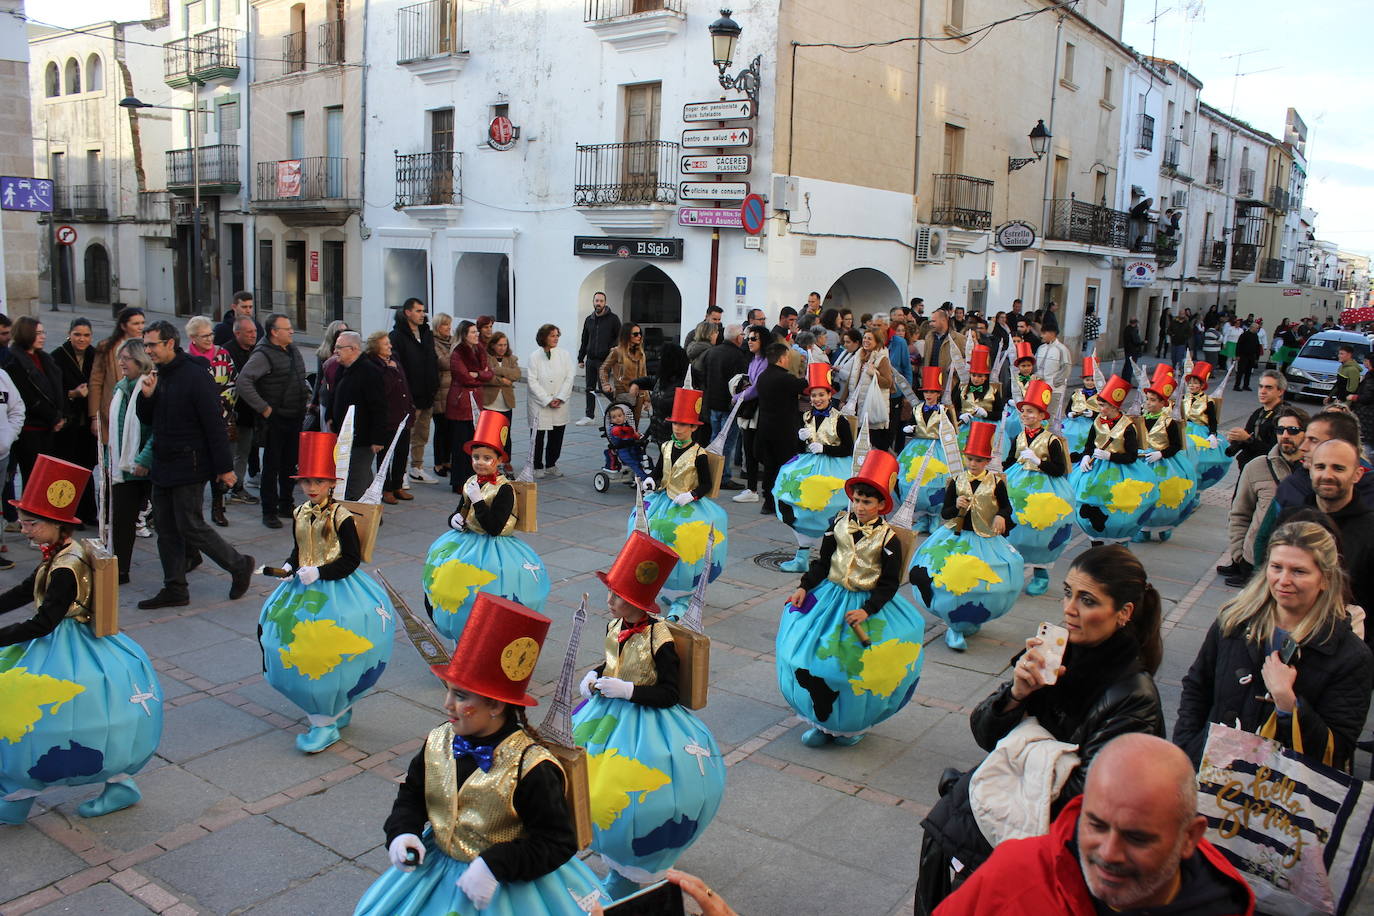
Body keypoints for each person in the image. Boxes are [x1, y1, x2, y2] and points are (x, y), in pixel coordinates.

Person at [917, 545, 1167, 912]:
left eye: (1087, 600)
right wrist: (1017, 694)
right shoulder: (1054, 656)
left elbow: (1087, 803)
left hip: (1044, 864)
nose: (1069, 608)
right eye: (1068, 592)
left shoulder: (1133, 696)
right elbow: (985, 734)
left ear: (1124, 613)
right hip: (979, 834)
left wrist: (1027, 747)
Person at [354, 593, 606, 916]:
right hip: (435, 874)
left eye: (460, 696)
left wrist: (496, 864)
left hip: (507, 891)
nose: (447, 704)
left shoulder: (532, 768)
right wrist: (403, 830)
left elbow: (557, 841)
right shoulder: (438, 740)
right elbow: (413, 794)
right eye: (448, 691)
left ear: (496, 705)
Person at [0, 455, 163, 825]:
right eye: (24, 521)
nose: (25, 529)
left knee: (46, 712)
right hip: (57, 637)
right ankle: (19, 789)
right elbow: (28, 590)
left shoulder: (67, 567)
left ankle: (23, 790)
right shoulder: (55, 554)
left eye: (32, 523)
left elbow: (44, 622)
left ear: (56, 524)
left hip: (67, 641)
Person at [936, 734, 1254, 915]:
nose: (1109, 853)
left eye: (1136, 838)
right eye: (1096, 825)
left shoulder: (1225, 902)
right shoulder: (1016, 875)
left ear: (1189, 837)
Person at [571, 531, 726, 901]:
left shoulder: (660, 639)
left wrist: (627, 690)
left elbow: (669, 693)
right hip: (609, 715)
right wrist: (595, 675)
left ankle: (635, 869)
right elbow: (614, 660)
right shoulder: (615, 625)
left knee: (638, 795)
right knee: (588, 785)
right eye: (610, 593)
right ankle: (612, 854)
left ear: (639, 603)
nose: (609, 602)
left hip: (648, 723)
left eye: (617, 597)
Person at [1175, 520, 1374, 771]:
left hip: (1282, 797)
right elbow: (1197, 687)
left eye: (1299, 571)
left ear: (1325, 579)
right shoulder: (1234, 621)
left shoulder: (1350, 656)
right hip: (1211, 778)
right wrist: (1187, 750)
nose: (1283, 580)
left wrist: (1288, 703)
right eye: (1276, 567)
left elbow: (1339, 749)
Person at [259, 432, 394, 754]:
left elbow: (350, 559)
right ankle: (331, 710)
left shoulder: (341, 517)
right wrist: (290, 568)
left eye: (319, 481)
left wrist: (319, 571)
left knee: (328, 649)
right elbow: (299, 549)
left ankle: (325, 720)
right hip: (303, 587)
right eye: (306, 481)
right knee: (285, 641)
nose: (312, 487)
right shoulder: (300, 512)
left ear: (332, 483)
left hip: (336, 589)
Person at [780, 448, 925, 746]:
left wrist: (868, 611)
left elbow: (888, 584)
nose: (859, 506)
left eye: (867, 501)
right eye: (856, 499)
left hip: (865, 605)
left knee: (854, 670)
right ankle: (823, 721)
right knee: (810, 659)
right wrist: (804, 587)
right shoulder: (838, 524)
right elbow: (823, 562)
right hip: (830, 599)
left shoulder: (888, 540)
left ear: (882, 504)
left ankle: (851, 726)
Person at [135, 320, 255, 610]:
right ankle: (175, 588)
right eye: (145, 344)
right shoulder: (157, 374)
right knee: (166, 527)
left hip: (190, 463)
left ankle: (239, 565)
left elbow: (214, 424)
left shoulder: (195, 374)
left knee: (190, 524)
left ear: (169, 343)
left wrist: (225, 468)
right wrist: (147, 396)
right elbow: (148, 419)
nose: (147, 350)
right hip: (163, 463)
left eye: (152, 344)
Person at [423, 411, 550, 641]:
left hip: (495, 548)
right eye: (476, 457)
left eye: (486, 458)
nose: (479, 463)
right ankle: (461, 637)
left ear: (499, 460)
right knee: (446, 582)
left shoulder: (504, 489)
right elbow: (461, 508)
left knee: (491, 592)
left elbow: (493, 527)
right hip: (466, 542)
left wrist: (479, 501)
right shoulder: (471, 481)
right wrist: (454, 519)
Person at [913, 421, 1021, 651]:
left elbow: (1006, 507)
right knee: (953, 579)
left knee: (985, 581)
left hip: (985, 538)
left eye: (979, 460)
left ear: (987, 461)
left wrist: (1001, 516)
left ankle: (970, 616)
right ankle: (954, 626)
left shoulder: (996, 482)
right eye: (970, 459)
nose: (973, 464)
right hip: (957, 536)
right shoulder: (956, 481)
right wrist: (957, 506)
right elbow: (946, 512)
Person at [632, 387, 729, 617]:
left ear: (694, 428)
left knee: (686, 542)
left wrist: (692, 495)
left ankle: (683, 596)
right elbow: (658, 473)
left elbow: (706, 484)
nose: (678, 428)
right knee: (647, 530)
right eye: (676, 423)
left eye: (684, 424)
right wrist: (650, 482)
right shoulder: (665, 446)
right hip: (663, 501)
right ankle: (660, 584)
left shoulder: (699, 454)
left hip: (688, 506)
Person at [774, 363, 854, 572]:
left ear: (830, 395)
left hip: (835, 468)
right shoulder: (806, 416)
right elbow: (800, 448)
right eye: (814, 396)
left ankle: (833, 556)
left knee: (831, 507)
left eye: (821, 395)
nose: (817, 399)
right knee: (795, 500)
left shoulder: (840, 419)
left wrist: (826, 449)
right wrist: (801, 441)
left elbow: (848, 449)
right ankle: (802, 555)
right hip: (808, 465)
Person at [236, 313, 310, 529]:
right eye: (287, 328)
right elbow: (243, 382)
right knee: (271, 466)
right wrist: (264, 409)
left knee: (290, 463)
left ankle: (286, 504)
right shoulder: (263, 354)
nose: (292, 331)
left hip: (294, 415)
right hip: (275, 419)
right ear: (274, 332)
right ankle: (269, 511)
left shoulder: (292, 349)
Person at [1220, 407, 1306, 587]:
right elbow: (1240, 513)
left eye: (1293, 430)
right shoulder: (1256, 467)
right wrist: (1239, 554)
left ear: (1306, 433)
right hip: (1255, 562)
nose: (1285, 435)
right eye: (1280, 430)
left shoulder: (1314, 471)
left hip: (1296, 568)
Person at [1003, 380, 1073, 596]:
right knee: (1014, 528)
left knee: (1041, 532)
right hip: (1017, 485)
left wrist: (1038, 461)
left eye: (1031, 412)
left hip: (1045, 488)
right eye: (1024, 411)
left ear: (1042, 416)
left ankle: (1041, 574)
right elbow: (1010, 460)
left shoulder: (1052, 440)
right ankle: (1012, 571)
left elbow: (1060, 469)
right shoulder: (1019, 436)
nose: (1026, 415)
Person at [1071, 375, 1156, 545]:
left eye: (1102, 405)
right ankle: (1096, 540)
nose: (1099, 408)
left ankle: (1120, 541)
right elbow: (1089, 444)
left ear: (1113, 406)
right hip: (1097, 469)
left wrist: (1110, 455)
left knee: (1120, 506)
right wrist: (1086, 456)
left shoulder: (1128, 426)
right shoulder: (1097, 421)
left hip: (1121, 471)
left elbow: (1132, 456)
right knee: (1089, 501)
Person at [105, 339, 154, 584]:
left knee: (172, 522)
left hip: (149, 465)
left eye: (126, 358)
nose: (121, 363)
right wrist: (109, 460)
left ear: (139, 360)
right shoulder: (120, 387)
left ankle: (190, 557)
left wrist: (144, 458)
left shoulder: (150, 386)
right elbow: (116, 429)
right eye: (120, 358)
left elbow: (156, 429)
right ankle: (120, 570)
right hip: (123, 468)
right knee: (122, 520)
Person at [1135, 364, 1197, 542]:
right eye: (1148, 399)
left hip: (1164, 463)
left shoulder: (1169, 422)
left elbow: (1177, 445)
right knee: (1142, 494)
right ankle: (1144, 528)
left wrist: (1161, 454)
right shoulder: (1141, 419)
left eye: (1154, 400)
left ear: (1164, 403)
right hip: (1143, 460)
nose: (1149, 403)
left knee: (1165, 495)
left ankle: (1164, 525)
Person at [186, 315, 237, 529]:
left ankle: (218, 508)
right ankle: (194, 513)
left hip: (220, 419)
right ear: (192, 338)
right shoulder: (186, 359)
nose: (209, 339)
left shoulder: (223, 355)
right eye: (204, 336)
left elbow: (233, 384)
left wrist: (219, 407)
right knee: (197, 470)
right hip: (195, 424)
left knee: (220, 465)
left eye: (210, 335)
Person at [6, 316, 66, 493]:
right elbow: (29, 398)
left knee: (47, 479)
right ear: (26, 334)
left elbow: (56, 388)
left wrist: (60, 416)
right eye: (37, 333)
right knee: (33, 479)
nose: (43, 337)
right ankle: (31, 519)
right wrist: (54, 417)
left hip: (49, 428)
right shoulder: (15, 362)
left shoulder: (44, 358)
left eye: (43, 332)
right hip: (30, 430)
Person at [896, 366, 958, 533]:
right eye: (926, 392)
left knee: (936, 480)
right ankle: (922, 516)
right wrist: (909, 428)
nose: (928, 395)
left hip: (938, 449)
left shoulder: (945, 410)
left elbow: (953, 432)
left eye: (932, 392)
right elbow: (911, 423)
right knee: (909, 478)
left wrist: (943, 433)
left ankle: (935, 516)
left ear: (938, 394)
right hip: (917, 448)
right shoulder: (917, 408)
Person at [50, 317, 98, 525]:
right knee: (69, 469)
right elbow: (52, 390)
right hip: (68, 423)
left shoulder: (95, 356)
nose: (82, 339)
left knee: (86, 468)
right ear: (70, 334)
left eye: (86, 335)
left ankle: (88, 513)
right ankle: (69, 513)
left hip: (87, 423)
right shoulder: (57, 357)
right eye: (78, 334)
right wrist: (72, 394)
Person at [328, 332, 387, 501]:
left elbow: (379, 406)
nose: (335, 351)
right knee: (364, 477)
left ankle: (356, 519)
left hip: (362, 438)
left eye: (339, 347)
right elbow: (334, 394)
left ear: (353, 349)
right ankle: (372, 514)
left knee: (356, 481)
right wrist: (331, 415)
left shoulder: (370, 371)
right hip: (346, 435)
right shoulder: (343, 368)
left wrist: (378, 438)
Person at [389, 298, 440, 486]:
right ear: (407, 312)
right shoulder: (397, 336)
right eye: (418, 311)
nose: (422, 314)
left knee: (422, 434)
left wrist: (433, 384)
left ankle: (416, 468)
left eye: (423, 311)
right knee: (405, 436)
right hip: (409, 395)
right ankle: (399, 472)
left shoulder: (426, 333)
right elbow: (398, 367)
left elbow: (432, 359)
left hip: (427, 393)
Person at [365, 331, 414, 504]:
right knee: (386, 456)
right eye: (386, 344)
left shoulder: (394, 360)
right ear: (376, 347)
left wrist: (410, 407)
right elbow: (383, 388)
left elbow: (405, 385)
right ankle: (385, 488)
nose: (390, 346)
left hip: (403, 416)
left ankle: (397, 485)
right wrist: (391, 371)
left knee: (402, 452)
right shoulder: (373, 364)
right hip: (388, 417)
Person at [700, 323, 749, 491]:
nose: (744, 338)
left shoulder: (712, 352)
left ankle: (712, 474)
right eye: (742, 335)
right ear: (737, 338)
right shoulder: (737, 355)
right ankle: (723, 476)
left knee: (715, 439)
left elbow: (705, 378)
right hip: (729, 406)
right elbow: (741, 382)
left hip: (713, 403)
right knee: (727, 443)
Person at [87, 306, 145, 443]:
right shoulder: (106, 347)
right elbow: (96, 382)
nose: (140, 327)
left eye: (142, 323)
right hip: (112, 410)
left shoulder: (147, 346)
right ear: (124, 326)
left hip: (138, 409)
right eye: (136, 323)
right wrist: (95, 418)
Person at [446, 319, 492, 491]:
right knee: (460, 446)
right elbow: (464, 377)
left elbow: (489, 374)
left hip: (476, 403)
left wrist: (478, 374)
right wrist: (479, 377)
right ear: (464, 335)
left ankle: (473, 478)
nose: (477, 334)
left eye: (476, 332)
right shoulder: (457, 353)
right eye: (473, 332)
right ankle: (458, 482)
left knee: (475, 444)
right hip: (461, 404)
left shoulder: (479, 350)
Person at [526, 323, 574, 479]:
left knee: (557, 436)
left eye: (557, 335)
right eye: (552, 335)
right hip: (539, 403)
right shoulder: (534, 356)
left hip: (559, 403)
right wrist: (547, 399)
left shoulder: (564, 355)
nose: (556, 338)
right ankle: (537, 465)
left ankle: (551, 464)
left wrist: (559, 397)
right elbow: (532, 381)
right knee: (538, 436)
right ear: (544, 337)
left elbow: (569, 377)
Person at [730, 327, 770, 504]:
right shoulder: (754, 360)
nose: (750, 341)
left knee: (758, 451)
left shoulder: (766, 361)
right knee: (749, 450)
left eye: (754, 338)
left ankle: (764, 489)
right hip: (751, 411)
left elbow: (757, 387)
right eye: (748, 338)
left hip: (760, 412)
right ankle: (752, 488)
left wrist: (737, 397)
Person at [223, 316, 260, 506]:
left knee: (243, 452)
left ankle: (236, 487)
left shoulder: (256, 351)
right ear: (237, 333)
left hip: (248, 413)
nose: (254, 335)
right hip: (230, 414)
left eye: (254, 331)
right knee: (229, 453)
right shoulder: (226, 352)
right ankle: (223, 490)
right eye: (249, 332)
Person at [1224, 369, 1284, 472]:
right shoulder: (1259, 412)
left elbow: (1276, 452)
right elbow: (1247, 435)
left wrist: (1247, 439)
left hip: (1268, 472)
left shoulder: (1284, 416)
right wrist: (1234, 440)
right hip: (1248, 469)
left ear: (1280, 391)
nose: (1263, 391)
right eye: (1260, 386)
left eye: (1268, 388)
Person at [1183, 362, 1228, 492]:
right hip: (1185, 429)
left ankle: (1195, 489)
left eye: (1195, 383)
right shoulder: (1184, 398)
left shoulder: (1208, 401)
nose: (1192, 385)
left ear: (1202, 385)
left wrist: (1212, 434)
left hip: (1199, 430)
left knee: (1197, 460)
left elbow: (1212, 421)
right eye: (1190, 382)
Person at [576, 291, 620, 425]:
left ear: (605, 303)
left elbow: (618, 337)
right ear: (593, 302)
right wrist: (580, 358)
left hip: (604, 360)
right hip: (590, 359)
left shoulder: (613, 319)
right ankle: (589, 416)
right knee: (589, 387)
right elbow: (584, 339)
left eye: (601, 301)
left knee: (604, 387)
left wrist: (610, 353)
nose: (598, 303)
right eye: (596, 301)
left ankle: (622, 405)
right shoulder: (589, 319)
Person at [599, 323, 650, 423]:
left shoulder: (641, 353)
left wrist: (647, 399)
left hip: (639, 395)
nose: (639, 336)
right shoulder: (617, 351)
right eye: (635, 334)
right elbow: (603, 368)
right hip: (623, 393)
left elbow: (644, 376)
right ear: (627, 335)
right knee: (622, 425)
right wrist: (605, 384)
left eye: (640, 333)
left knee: (634, 426)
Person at [483, 332, 520, 468]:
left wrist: (496, 370)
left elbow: (516, 374)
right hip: (490, 404)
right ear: (493, 345)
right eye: (499, 345)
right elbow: (486, 377)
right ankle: (490, 461)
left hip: (506, 404)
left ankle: (506, 461)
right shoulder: (486, 358)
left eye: (505, 345)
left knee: (505, 436)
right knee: (489, 436)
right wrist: (503, 379)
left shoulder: (511, 358)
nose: (502, 348)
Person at [431, 313, 453, 478]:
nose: (448, 328)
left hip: (452, 391)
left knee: (450, 429)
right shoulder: (434, 342)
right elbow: (444, 362)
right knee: (441, 429)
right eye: (445, 324)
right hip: (440, 392)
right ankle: (438, 463)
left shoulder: (451, 341)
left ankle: (448, 460)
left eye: (449, 324)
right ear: (438, 326)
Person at [1035, 323, 1072, 417]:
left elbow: (1066, 368)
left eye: (1044, 333)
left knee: (1050, 416)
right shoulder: (1040, 348)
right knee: (1038, 415)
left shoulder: (1062, 349)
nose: (1041, 335)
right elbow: (1035, 365)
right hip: (1039, 388)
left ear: (1052, 333)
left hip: (1054, 389)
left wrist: (1056, 382)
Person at [888, 318, 913, 452]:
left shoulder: (901, 344)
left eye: (903, 330)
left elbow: (907, 369)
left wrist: (906, 393)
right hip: (882, 391)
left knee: (897, 425)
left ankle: (897, 453)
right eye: (898, 330)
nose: (901, 333)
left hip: (897, 391)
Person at [1354, 352, 1374, 464]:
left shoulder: (1371, 378)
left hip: (1368, 416)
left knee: (1366, 446)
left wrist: (1355, 397)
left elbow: (1367, 396)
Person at [1233, 322, 1261, 391]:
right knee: (1240, 371)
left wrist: (1257, 357)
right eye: (1257, 328)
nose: (1258, 329)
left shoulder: (1255, 336)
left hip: (1251, 356)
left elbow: (1257, 346)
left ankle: (1246, 385)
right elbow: (1239, 345)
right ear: (1252, 327)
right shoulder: (1244, 335)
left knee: (1248, 372)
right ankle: (1236, 386)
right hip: (1243, 356)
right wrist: (1237, 355)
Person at [1123, 316, 1144, 381]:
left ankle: (1124, 379)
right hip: (1133, 351)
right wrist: (1143, 342)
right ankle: (1127, 381)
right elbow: (1136, 342)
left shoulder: (1127, 329)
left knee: (1127, 365)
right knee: (1130, 366)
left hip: (1128, 350)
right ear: (1135, 323)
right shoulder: (1133, 330)